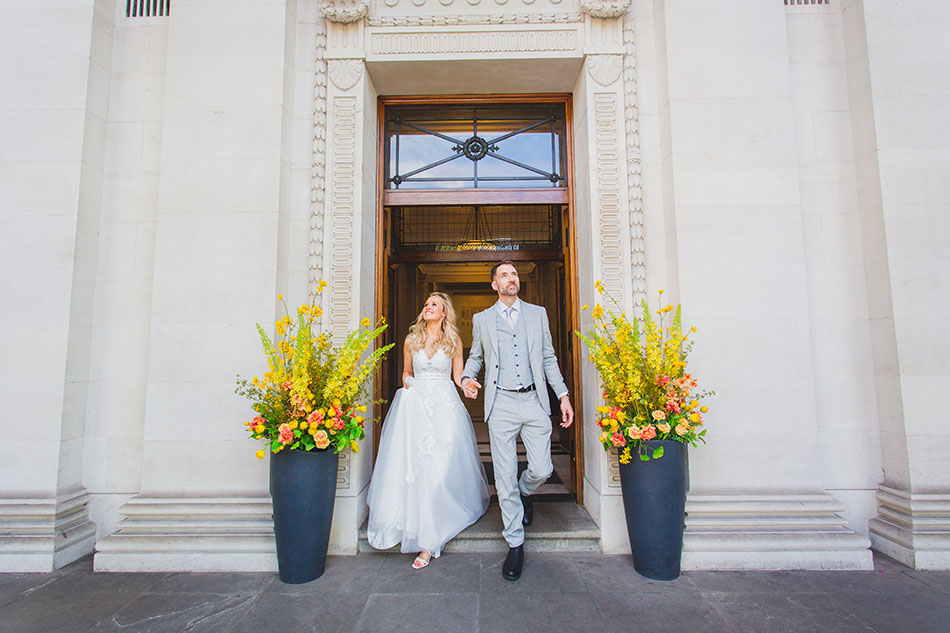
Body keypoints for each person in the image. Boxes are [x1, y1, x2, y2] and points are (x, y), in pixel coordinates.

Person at [461, 261, 574, 581]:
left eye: (514, 274)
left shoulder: (538, 314)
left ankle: (527, 493)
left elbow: (549, 358)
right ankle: (514, 542)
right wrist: (468, 377)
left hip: (535, 401)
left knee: (542, 469)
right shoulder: (482, 319)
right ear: (494, 285)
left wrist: (562, 396)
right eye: (505, 275)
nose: (512, 278)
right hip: (502, 404)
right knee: (504, 475)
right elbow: (477, 357)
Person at [366, 292, 490, 569]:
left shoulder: (454, 342)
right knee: (417, 469)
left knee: (440, 470)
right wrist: (412, 384)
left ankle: (436, 528)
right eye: (426, 305)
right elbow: (406, 373)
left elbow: (458, 377)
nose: (428, 308)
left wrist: (467, 386)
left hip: (445, 409)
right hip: (416, 408)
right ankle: (426, 541)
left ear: (444, 312)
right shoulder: (411, 340)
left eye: (434, 305)